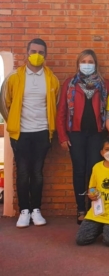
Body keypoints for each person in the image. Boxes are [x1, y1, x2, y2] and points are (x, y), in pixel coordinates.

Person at [2, 38, 60, 228]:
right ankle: (24, 211)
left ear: (46, 55)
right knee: (23, 171)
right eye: (33, 51)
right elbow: (5, 102)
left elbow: (55, 104)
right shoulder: (14, 77)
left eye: (41, 52)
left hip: (43, 132)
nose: (37, 55)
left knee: (37, 172)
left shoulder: (52, 79)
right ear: (27, 52)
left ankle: (36, 209)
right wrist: (12, 124)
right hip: (21, 133)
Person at [56, 49, 109, 224]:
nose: (87, 64)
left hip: (97, 134)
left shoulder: (105, 84)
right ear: (78, 63)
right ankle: (81, 208)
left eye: (90, 61)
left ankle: (93, 207)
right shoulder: (69, 83)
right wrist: (62, 136)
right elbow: (62, 112)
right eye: (84, 61)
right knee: (79, 171)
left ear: (95, 64)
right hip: (76, 134)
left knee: (94, 171)